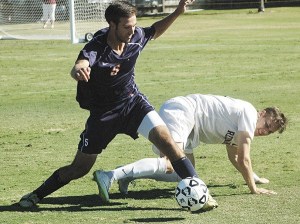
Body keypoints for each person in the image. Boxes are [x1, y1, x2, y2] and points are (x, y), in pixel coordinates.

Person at [18, 0, 207, 210]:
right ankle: (36, 194)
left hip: (133, 103)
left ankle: (200, 192)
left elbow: (154, 30)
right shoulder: (97, 46)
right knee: (79, 168)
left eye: (134, 25)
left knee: (168, 142)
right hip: (103, 115)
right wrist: (78, 71)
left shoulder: (136, 37)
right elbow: (80, 63)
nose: (132, 30)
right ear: (112, 24)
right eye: (126, 26)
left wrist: (178, 11)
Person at [94, 94, 287, 202]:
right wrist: (253, 189)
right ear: (261, 113)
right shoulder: (249, 114)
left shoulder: (243, 127)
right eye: (267, 124)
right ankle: (109, 175)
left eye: (269, 132)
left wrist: (255, 178)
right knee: (170, 163)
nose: (264, 130)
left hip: (191, 124)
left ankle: (127, 173)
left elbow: (236, 158)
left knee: (182, 175)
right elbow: (244, 158)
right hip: (184, 112)